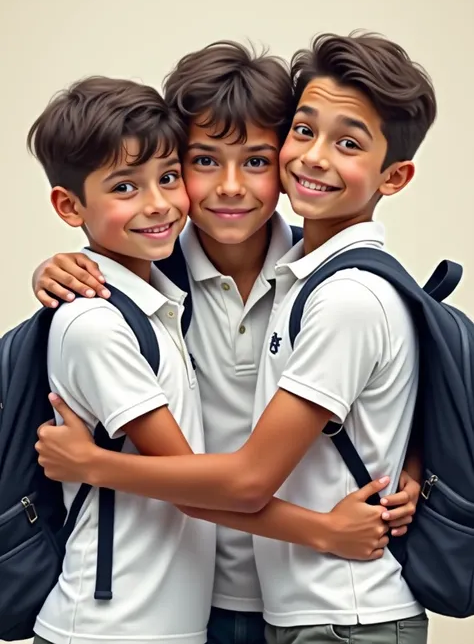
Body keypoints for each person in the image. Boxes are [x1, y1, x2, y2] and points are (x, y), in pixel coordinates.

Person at [33, 41, 421, 644]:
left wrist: (410, 467)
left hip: (299, 597)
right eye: (203, 161)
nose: (231, 188)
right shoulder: (146, 283)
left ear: (284, 161)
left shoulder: (321, 282)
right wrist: (61, 266)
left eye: (257, 161)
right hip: (189, 598)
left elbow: (391, 386)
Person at [28, 76, 216, 644]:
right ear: (69, 205)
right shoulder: (96, 323)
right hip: (109, 629)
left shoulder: (154, 293)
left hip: (156, 625)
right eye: (125, 188)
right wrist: (327, 532)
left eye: (167, 177)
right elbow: (193, 487)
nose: (158, 203)